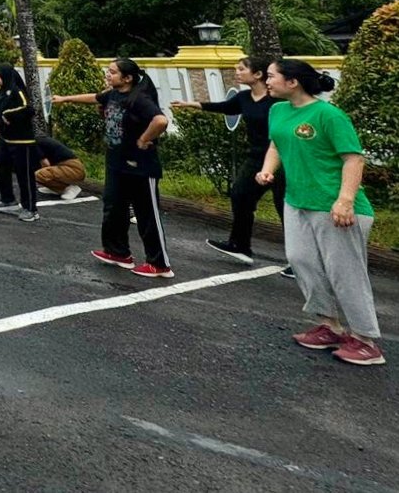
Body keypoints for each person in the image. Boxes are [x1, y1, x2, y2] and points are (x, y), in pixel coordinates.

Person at [256, 59, 383, 366]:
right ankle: (331, 325)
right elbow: (276, 143)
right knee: (301, 261)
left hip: (333, 206)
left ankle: (366, 340)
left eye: (272, 76)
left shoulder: (328, 115)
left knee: (344, 271)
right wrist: (267, 170)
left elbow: (354, 159)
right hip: (297, 201)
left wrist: (345, 200)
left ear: (293, 82)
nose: (267, 81)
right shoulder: (278, 111)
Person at [54, 58, 173, 279]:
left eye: (112, 72)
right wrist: (65, 98)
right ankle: (118, 253)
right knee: (114, 207)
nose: (108, 75)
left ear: (127, 78)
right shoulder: (112, 94)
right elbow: (94, 98)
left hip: (140, 167)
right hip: (117, 162)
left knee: (147, 214)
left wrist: (144, 139)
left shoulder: (139, 99)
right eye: (107, 71)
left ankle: (159, 264)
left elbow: (160, 121)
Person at [171, 55, 284, 270]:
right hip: (255, 158)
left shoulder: (278, 102)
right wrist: (191, 104)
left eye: (242, 69)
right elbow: (224, 107)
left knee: (285, 208)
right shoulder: (243, 98)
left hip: (282, 159)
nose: (237, 72)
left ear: (258, 74)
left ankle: (301, 262)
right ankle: (240, 245)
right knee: (240, 196)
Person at [0, 63, 39, 221]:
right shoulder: (2, 92)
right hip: (5, 138)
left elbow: (29, 109)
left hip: (21, 140)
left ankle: (30, 208)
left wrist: (8, 115)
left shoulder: (17, 91)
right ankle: (8, 199)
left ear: (5, 75)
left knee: (24, 174)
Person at [34, 134, 87, 200]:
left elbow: (46, 164)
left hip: (74, 169)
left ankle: (69, 188)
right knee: (39, 173)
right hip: (71, 168)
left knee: (38, 175)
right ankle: (56, 189)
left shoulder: (35, 143)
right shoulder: (38, 140)